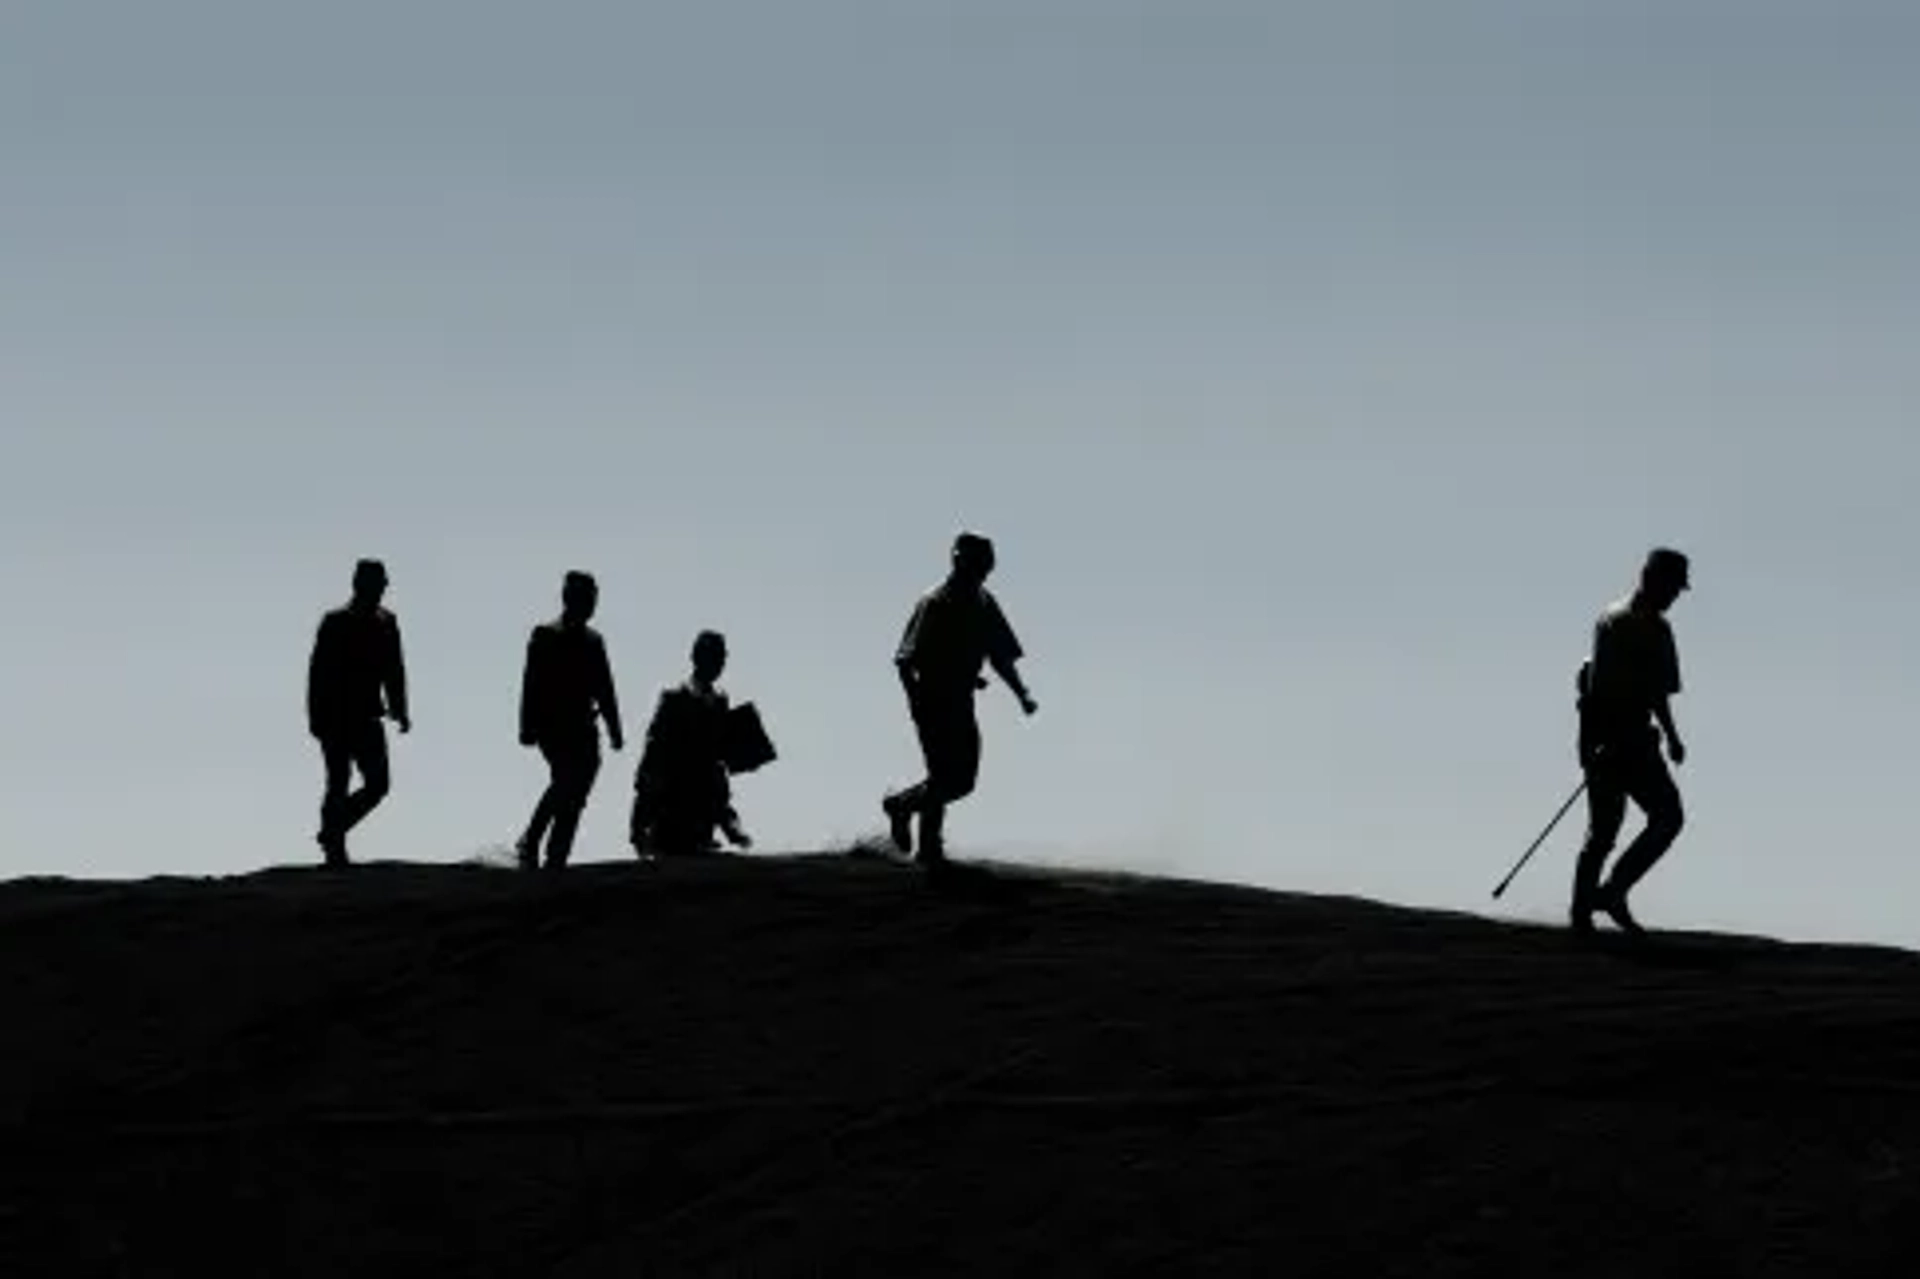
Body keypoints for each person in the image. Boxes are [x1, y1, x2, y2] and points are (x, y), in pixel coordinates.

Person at [881, 531, 1037, 865]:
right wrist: (917, 702)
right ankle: (919, 833)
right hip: (934, 699)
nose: (982, 570)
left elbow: (1000, 655)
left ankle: (908, 816)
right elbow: (904, 660)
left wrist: (1021, 693)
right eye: (976, 563)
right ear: (960, 561)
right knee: (946, 775)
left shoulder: (984, 602)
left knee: (960, 779)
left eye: (985, 564)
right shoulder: (935, 602)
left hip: (962, 700)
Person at [1570, 546, 1691, 935]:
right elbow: (1597, 687)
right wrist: (1598, 743)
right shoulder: (1616, 621)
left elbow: (1659, 692)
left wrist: (1672, 737)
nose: (1674, 596)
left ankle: (1612, 891)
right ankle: (1584, 910)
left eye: (1677, 589)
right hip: (1609, 738)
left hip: (1638, 739)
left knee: (1667, 817)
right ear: (1649, 578)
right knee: (1605, 828)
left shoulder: (1659, 628)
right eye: (1671, 586)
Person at [515, 570, 623, 871]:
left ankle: (557, 854)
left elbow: (605, 687)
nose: (590, 605)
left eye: (593, 599)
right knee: (566, 781)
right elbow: (531, 683)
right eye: (585, 598)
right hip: (553, 726)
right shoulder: (545, 634)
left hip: (584, 727)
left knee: (576, 790)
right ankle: (531, 839)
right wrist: (526, 726)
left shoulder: (594, 641)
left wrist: (615, 729)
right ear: (569, 598)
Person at [306, 558, 409, 867]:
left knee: (378, 784)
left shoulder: (387, 622)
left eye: (383, 582)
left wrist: (400, 709)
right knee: (338, 780)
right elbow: (318, 672)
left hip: (367, 715)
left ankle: (332, 829)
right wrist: (315, 716)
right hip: (335, 716)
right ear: (361, 584)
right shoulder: (335, 622)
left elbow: (394, 670)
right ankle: (334, 848)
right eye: (378, 582)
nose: (383, 588)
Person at [629, 630, 755, 856]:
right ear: (697, 658)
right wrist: (639, 825)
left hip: (705, 804)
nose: (719, 664)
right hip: (673, 801)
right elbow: (653, 753)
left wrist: (746, 755)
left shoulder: (720, 700)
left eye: (721, 658)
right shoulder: (674, 697)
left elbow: (722, 757)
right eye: (713, 657)